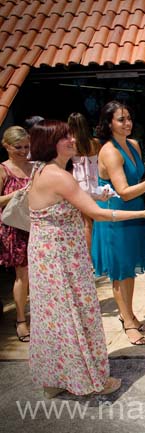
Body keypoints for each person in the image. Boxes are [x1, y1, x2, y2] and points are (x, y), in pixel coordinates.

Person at [27, 120, 145, 398]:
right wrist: (143, 214)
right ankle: (89, 381)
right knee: (75, 313)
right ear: (48, 143)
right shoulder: (59, 175)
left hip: (46, 253)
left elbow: (66, 197)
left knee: (54, 317)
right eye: (63, 137)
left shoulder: (44, 171)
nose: (71, 140)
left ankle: (56, 379)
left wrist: (93, 193)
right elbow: (99, 214)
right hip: (61, 254)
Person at [92, 101, 145, 346]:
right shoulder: (109, 151)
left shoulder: (134, 145)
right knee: (120, 271)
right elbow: (124, 191)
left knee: (130, 270)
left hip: (137, 213)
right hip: (117, 215)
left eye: (129, 118)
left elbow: (138, 180)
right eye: (121, 119)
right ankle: (127, 322)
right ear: (108, 123)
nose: (127, 123)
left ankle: (131, 314)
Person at [0, 126, 32, 343]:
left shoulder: (35, 167)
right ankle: (21, 319)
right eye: (18, 147)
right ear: (7, 146)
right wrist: (16, 194)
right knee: (23, 274)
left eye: (27, 147)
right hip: (15, 226)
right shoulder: (3, 170)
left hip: (38, 224)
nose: (23, 151)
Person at [69, 112, 104, 250]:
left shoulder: (71, 145)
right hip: (96, 183)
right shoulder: (95, 143)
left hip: (79, 184)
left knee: (86, 223)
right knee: (101, 221)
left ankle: (89, 259)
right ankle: (101, 255)